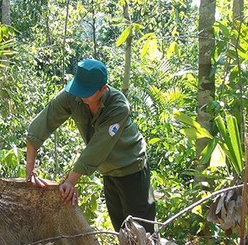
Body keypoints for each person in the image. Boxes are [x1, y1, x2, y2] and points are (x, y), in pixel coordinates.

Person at [25, 59, 156, 233]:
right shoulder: (72, 95)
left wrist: (71, 182)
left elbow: (97, 148)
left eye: (86, 92)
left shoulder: (118, 107)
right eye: (79, 90)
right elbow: (40, 126)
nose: (80, 95)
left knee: (142, 233)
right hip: (108, 172)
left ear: (103, 89)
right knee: (122, 231)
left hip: (132, 170)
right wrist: (30, 170)